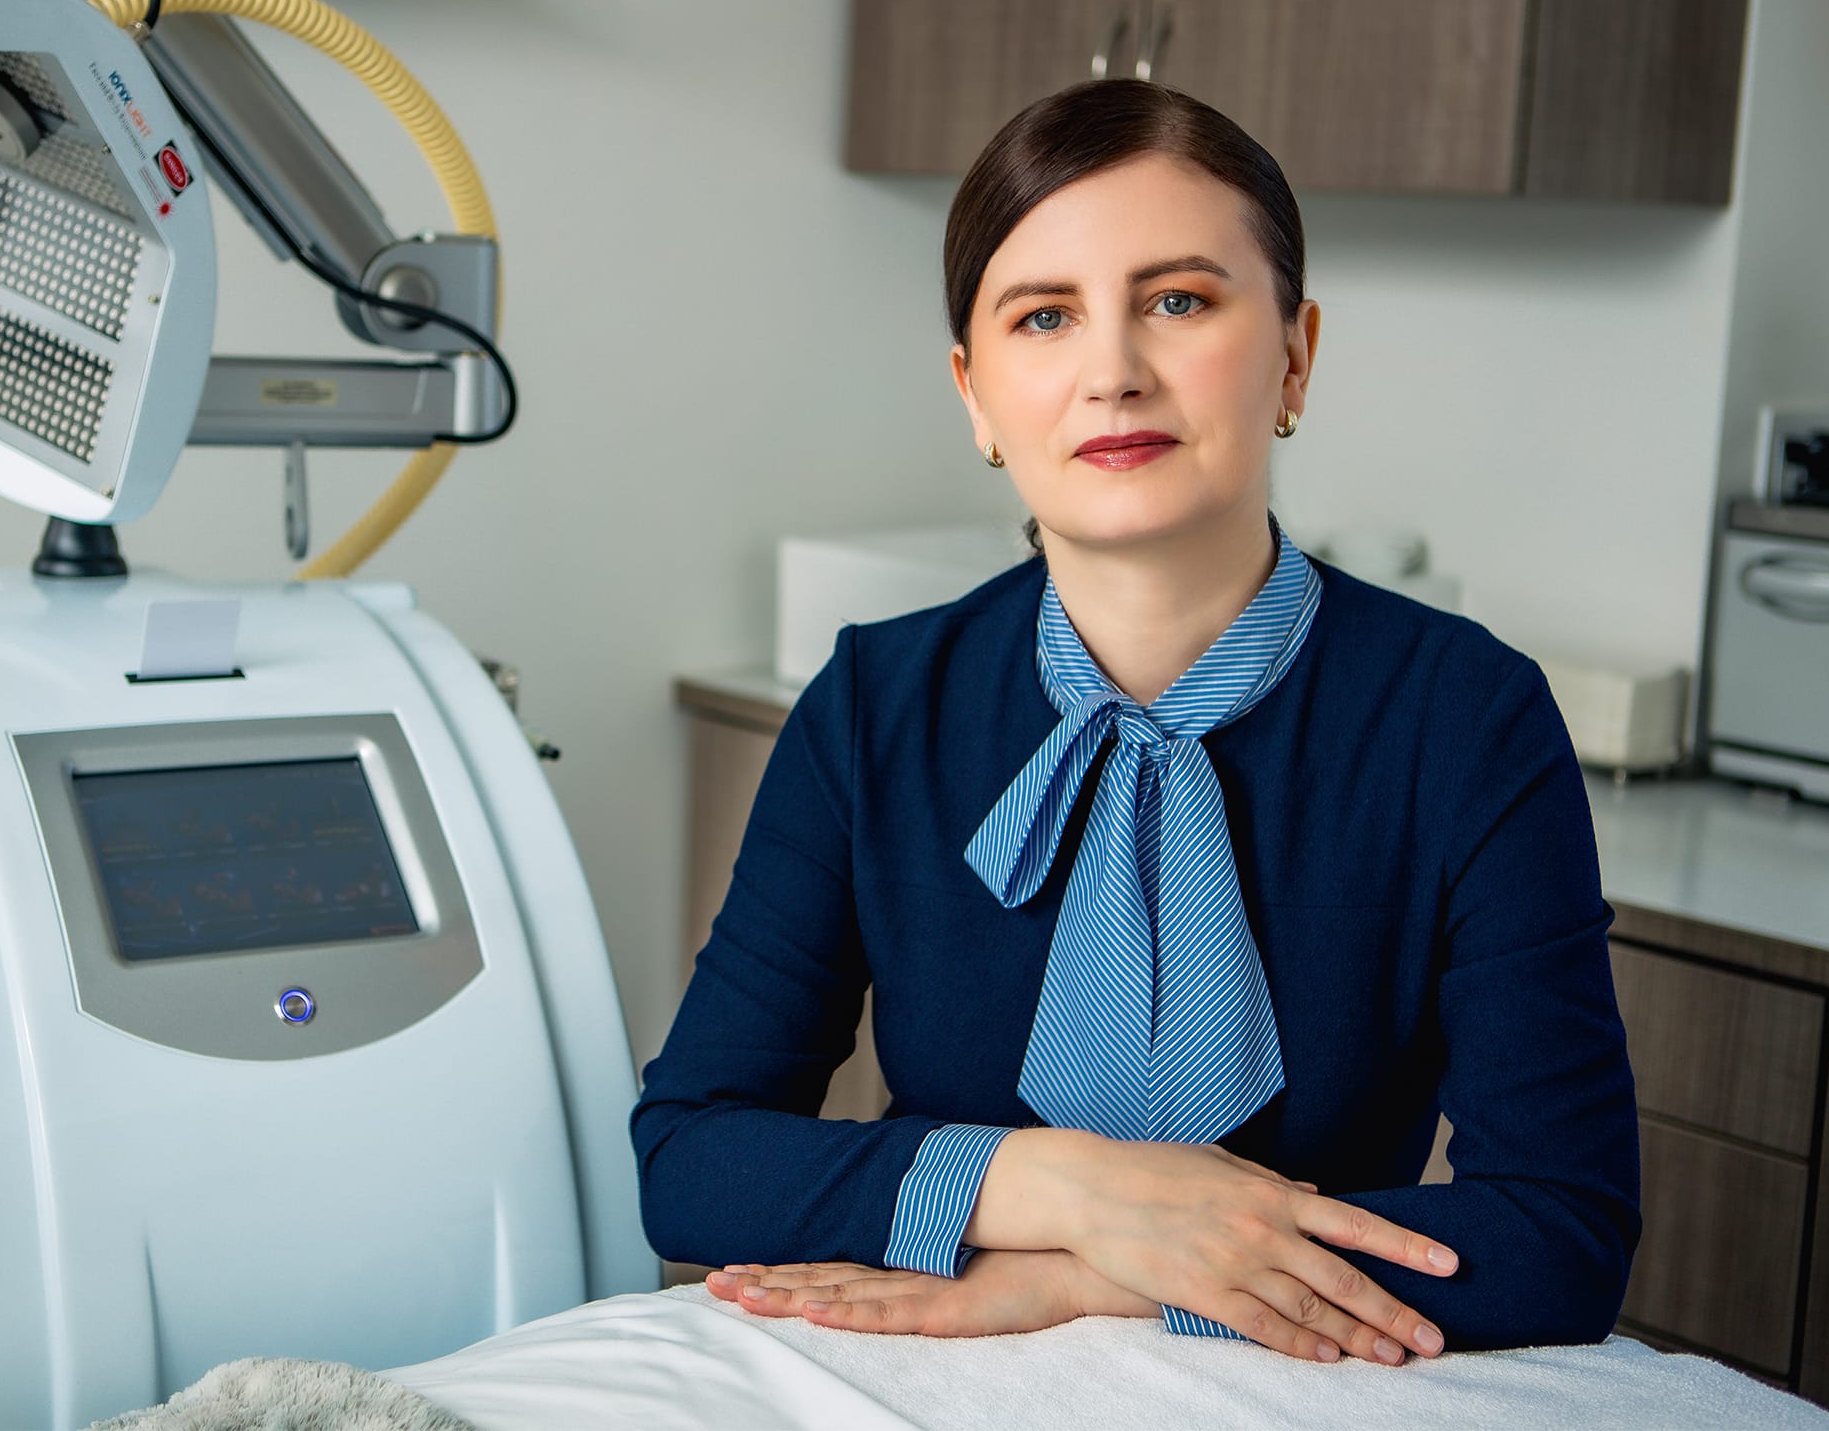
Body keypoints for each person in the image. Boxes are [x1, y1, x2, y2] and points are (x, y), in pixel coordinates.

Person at [632, 80, 1639, 1364]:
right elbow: (691, 1156)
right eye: (1043, 317)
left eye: (1179, 301)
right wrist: (1068, 1192)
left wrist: (1081, 1282)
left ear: (1295, 354)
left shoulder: (1466, 716)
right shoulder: (875, 707)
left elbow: (1564, 1234)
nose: (1112, 372)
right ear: (976, 394)